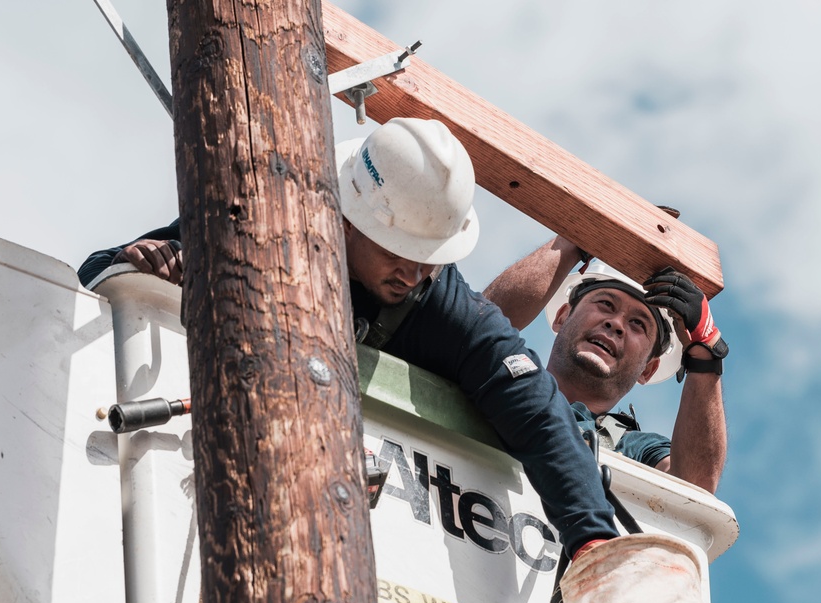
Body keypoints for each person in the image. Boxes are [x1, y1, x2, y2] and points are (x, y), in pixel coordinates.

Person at [77, 117, 621, 561]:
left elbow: (537, 411)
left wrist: (591, 539)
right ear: (346, 219)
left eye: (428, 260)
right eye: (395, 253)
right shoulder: (264, 219)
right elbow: (95, 276)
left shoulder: (448, 308)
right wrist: (141, 270)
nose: (412, 276)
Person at [482, 224, 729, 493]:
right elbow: (472, 328)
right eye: (606, 304)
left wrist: (705, 354)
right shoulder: (500, 377)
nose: (616, 324)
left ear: (648, 368)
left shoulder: (634, 449)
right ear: (562, 316)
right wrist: (578, 239)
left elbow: (694, 489)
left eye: (638, 323)